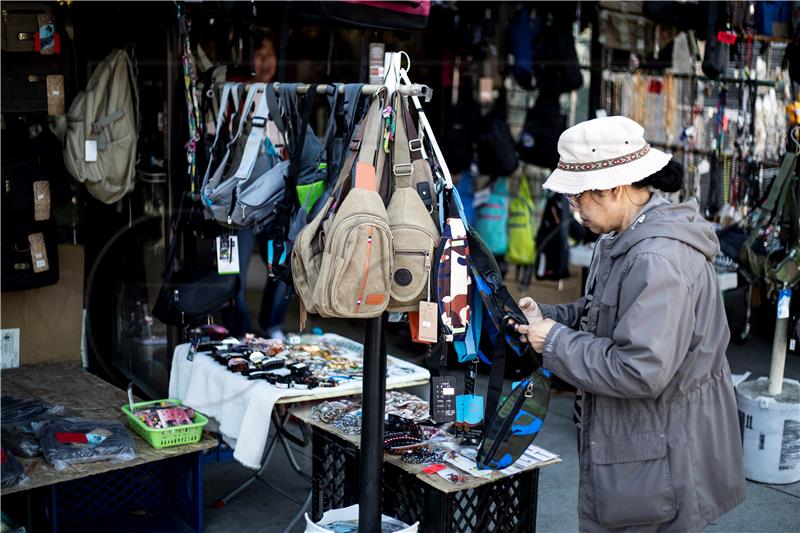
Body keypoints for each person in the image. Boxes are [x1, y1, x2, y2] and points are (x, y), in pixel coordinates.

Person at [513, 116, 745, 532]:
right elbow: (605, 312)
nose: (573, 208)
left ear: (615, 188)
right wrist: (549, 319)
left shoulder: (656, 258)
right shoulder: (621, 239)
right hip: (647, 444)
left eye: (578, 197)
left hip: (663, 454)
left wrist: (555, 342)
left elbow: (640, 368)